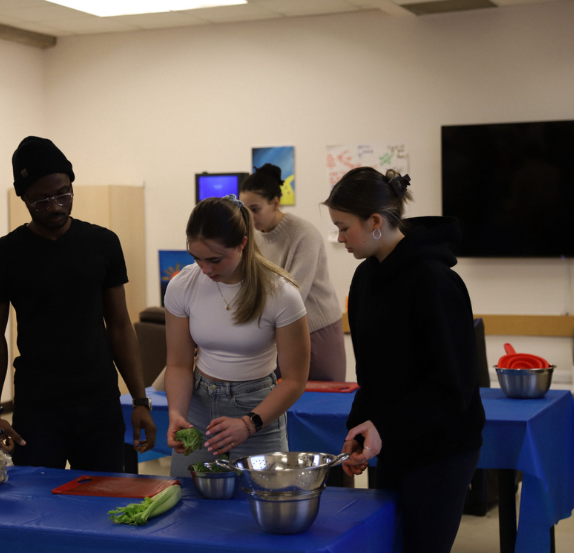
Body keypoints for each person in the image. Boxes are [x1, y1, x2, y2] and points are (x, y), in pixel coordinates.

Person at [324, 167, 485, 553]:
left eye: (344, 228)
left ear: (375, 221)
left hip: (442, 450)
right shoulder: (365, 279)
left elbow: (452, 389)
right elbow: (372, 374)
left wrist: (383, 426)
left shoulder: (434, 281)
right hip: (394, 442)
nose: (340, 238)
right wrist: (359, 431)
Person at [0, 136, 155, 471]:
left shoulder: (102, 243)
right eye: (41, 200)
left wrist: (140, 400)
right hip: (37, 405)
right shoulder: (2, 255)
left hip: (99, 400)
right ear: (23, 198)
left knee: (106, 509)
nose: (56, 206)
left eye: (63, 194)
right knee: (38, 511)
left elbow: (119, 325)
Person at [165, 195, 311, 478]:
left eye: (215, 260)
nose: (206, 270)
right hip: (200, 404)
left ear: (243, 243)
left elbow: (294, 380)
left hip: (259, 408)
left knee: (260, 502)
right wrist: (176, 414)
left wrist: (249, 423)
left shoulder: (282, 294)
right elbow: (179, 364)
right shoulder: (183, 285)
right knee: (189, 502)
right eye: (196, 258)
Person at [240, 164, 346, 381]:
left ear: (275, 203)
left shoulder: (304, 234)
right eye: (245, 210)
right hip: (275, 331)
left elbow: (294, 294)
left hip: (315, 331)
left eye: (255, 209)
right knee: (277, 405)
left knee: (318, 404)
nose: (250, 217)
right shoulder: (254, 237)